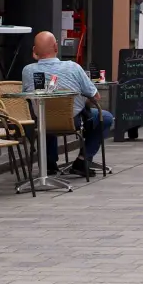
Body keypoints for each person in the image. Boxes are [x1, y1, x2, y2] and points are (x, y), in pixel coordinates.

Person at [19, 31, 113, 178]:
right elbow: (96, 96)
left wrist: (37, 59)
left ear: (34, 50)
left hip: (41, 122)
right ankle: (83, 160)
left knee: (46, 113)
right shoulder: (73, 67)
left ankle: (49, 164)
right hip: (71, 122)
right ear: (56, 47)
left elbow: (27, 96)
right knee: (105, 117)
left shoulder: (28, 70)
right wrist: (81, 101)